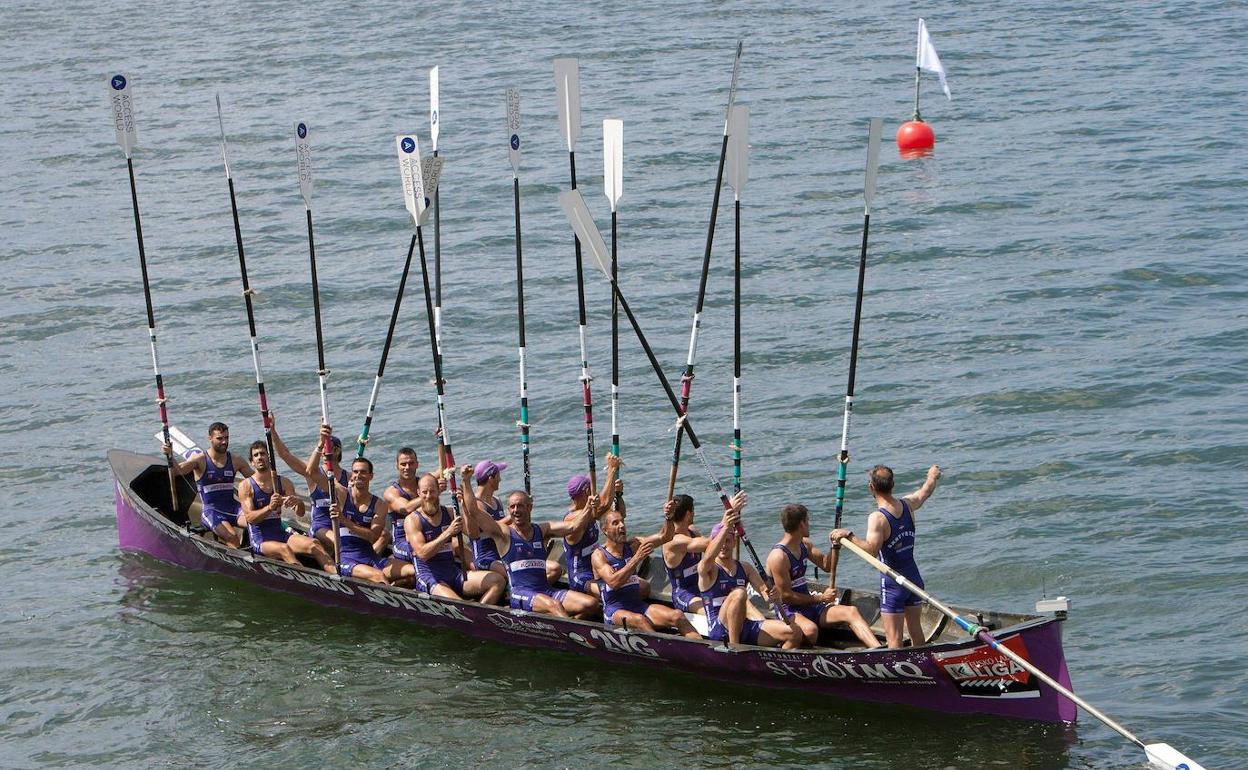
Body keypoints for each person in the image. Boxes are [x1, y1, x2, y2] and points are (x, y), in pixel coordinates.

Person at [831, 464, 941, 649]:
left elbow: (872, 550)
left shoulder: (878, 518)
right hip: (913, 579)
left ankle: (900, 675)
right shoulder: (907, 505)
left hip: (893, 584)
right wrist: (932, 475)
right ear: (893, 485)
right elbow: (925, 492)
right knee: (916, 633)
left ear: (871, 487)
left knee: (895, 641)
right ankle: (924, 667)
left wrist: (848, 535)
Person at [465, 476, 600, 619]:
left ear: (529, 507)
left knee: (592, 604)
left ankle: (569, 627)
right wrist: (466, 481)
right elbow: (475, 511)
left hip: (545, 590)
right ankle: (572, 637)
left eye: (520, 506)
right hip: (520, 594)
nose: (516, 510)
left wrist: (588, 507)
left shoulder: (542, 530)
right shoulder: (504, 533)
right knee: (554, 605)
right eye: (512, 507)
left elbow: (573, 526)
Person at [766, 503, 878, 648]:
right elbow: (786, 596)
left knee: (851, 611)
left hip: (809, 605)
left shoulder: (804, 545)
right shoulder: (778, 557)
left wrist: (835, 546)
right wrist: (821, 598)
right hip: (788, 610)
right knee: (811, 631)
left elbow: (826, 565)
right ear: (801, 524)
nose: (809, 525)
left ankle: (878, 649)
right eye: (807, 521)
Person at [697, 493, 800, 649]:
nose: (724, 546)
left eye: (728, 541)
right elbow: (709, 554)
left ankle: (771, 664)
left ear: (733, 543)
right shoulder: (708, 568)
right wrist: (726, 525)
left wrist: (774, 594)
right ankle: (734, 648)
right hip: (720, 630)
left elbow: (766, 595)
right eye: (721, 542)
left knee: (795, 633)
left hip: (745, 626)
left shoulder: (745, 568)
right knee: (739, 593)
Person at [591, 498, 700, 638]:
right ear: (605, 530)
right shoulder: (599, 555)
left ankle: (704, 650)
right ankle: (663, 654)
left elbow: (665, 537)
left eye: (622, 522)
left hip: (638, 606)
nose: (622, 526)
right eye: (615, 523)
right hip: (615, 610)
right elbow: (613, 582)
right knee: (639, 620)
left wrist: (669, 517)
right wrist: (636, 558)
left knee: (677, 615)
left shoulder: (633, 545)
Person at [405, 471, 506, 604]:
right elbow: (423, 553)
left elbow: (473, 534)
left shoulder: (449, 513)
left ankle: (480, 613)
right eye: (425, 492)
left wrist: (464, 505)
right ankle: (472, 616)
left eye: (432, 491)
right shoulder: (413, 520)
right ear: (419, 493)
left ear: (438, 491)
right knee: (458, 603)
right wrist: (448, 533)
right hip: (429, 576)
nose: (429, 496)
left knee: (498, 581)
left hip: (454, 574)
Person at [237, 441, 336, 574]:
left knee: (315, 544)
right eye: (256, 455)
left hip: (281, 533)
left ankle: (337, 577)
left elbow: (300, 513)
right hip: (260, 538)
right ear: (252, 462)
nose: (260, 457)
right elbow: (250, 518)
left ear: (269, 458)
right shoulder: (246, 486)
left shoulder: (284, 483)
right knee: (285, 549)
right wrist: (269, 508)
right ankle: (306, 583)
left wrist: (298, 502)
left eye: (263, 454)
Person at [166, 422, 253, 547]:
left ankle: (250, 549)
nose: (224, 442)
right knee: (231, 536)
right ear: (210, 438)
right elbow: (177, 471)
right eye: (220, 438)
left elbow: (256, 480)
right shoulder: (200, 460)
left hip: (233, 508)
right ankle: (237, 558)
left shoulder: (236, 460)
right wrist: (170, 455)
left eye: (226, 438)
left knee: (257, 523)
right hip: (211, 512)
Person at [269, 420, 347, 556]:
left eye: (327, 448)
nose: (324, 452)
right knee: (340, 541)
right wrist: (272, 430)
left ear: (337, 450)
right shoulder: (313, 474)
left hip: (343, 525)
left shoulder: (350, 476)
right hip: (320, 527)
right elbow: (285, 455)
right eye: (322, 448)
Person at [322, 456, 399, 584]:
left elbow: (373, 537)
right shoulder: (342, 494)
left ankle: (392, 586)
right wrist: (320, 447)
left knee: (412, 571)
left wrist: (343, 520)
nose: (359, 475)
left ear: (371, 476)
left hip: (370, 557)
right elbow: (312, 473)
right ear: (351, 475)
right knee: (379, 576)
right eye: (356, 472)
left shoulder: (380, 505)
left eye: (363, 472)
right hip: (346, 559)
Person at [562, 454, 620, 597]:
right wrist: (612, 470)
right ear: (587, 492)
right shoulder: (573, 518)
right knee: (613, 592)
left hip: (597, 569)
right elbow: (605, 502)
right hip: (580, 578)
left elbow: (607, 507)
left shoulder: (590, 512)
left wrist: (618, 491)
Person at [661, 494, 709, 614]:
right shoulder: (673, 541)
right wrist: (726, 524)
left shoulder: (692, 531)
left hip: (702, 586)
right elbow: (710, 544)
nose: (694, 514)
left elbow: (712, 550)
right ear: (688, 514)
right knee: (710, 610)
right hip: (683, 594)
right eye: (693, 511)